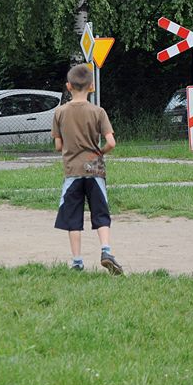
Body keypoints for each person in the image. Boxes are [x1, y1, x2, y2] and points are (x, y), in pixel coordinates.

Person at [52, 63, 122, 274]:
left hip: (72, 171)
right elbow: (111, 142)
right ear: (91, 86)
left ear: (68, 86)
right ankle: (106, 250)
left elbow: (58, 146)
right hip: (95, 171)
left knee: (73, 217)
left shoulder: (60, 112)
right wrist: (99, 153)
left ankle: (77, 261)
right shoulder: (98, 112)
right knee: (101, 213)